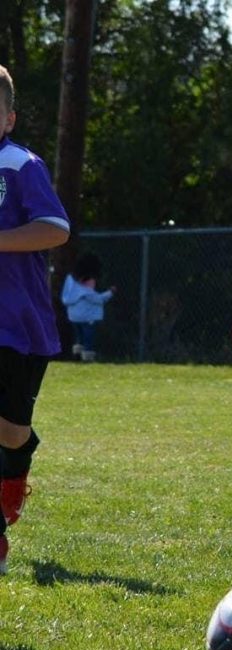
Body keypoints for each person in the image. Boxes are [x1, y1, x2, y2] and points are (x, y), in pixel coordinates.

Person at [0, 64, 70, 575]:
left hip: (17, 326)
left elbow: (55, 228)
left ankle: (17, 468)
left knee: (10, 432)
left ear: (8, 119)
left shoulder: (20, 166)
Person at [61, 254, 116, 362]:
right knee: (88, 337)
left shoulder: (71, 285)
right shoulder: (86, 292)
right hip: (87, 318)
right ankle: (88, 357)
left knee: (79, 337)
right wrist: (111, 292)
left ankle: (77, 354)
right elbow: (99, 299)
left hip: (74, 317)